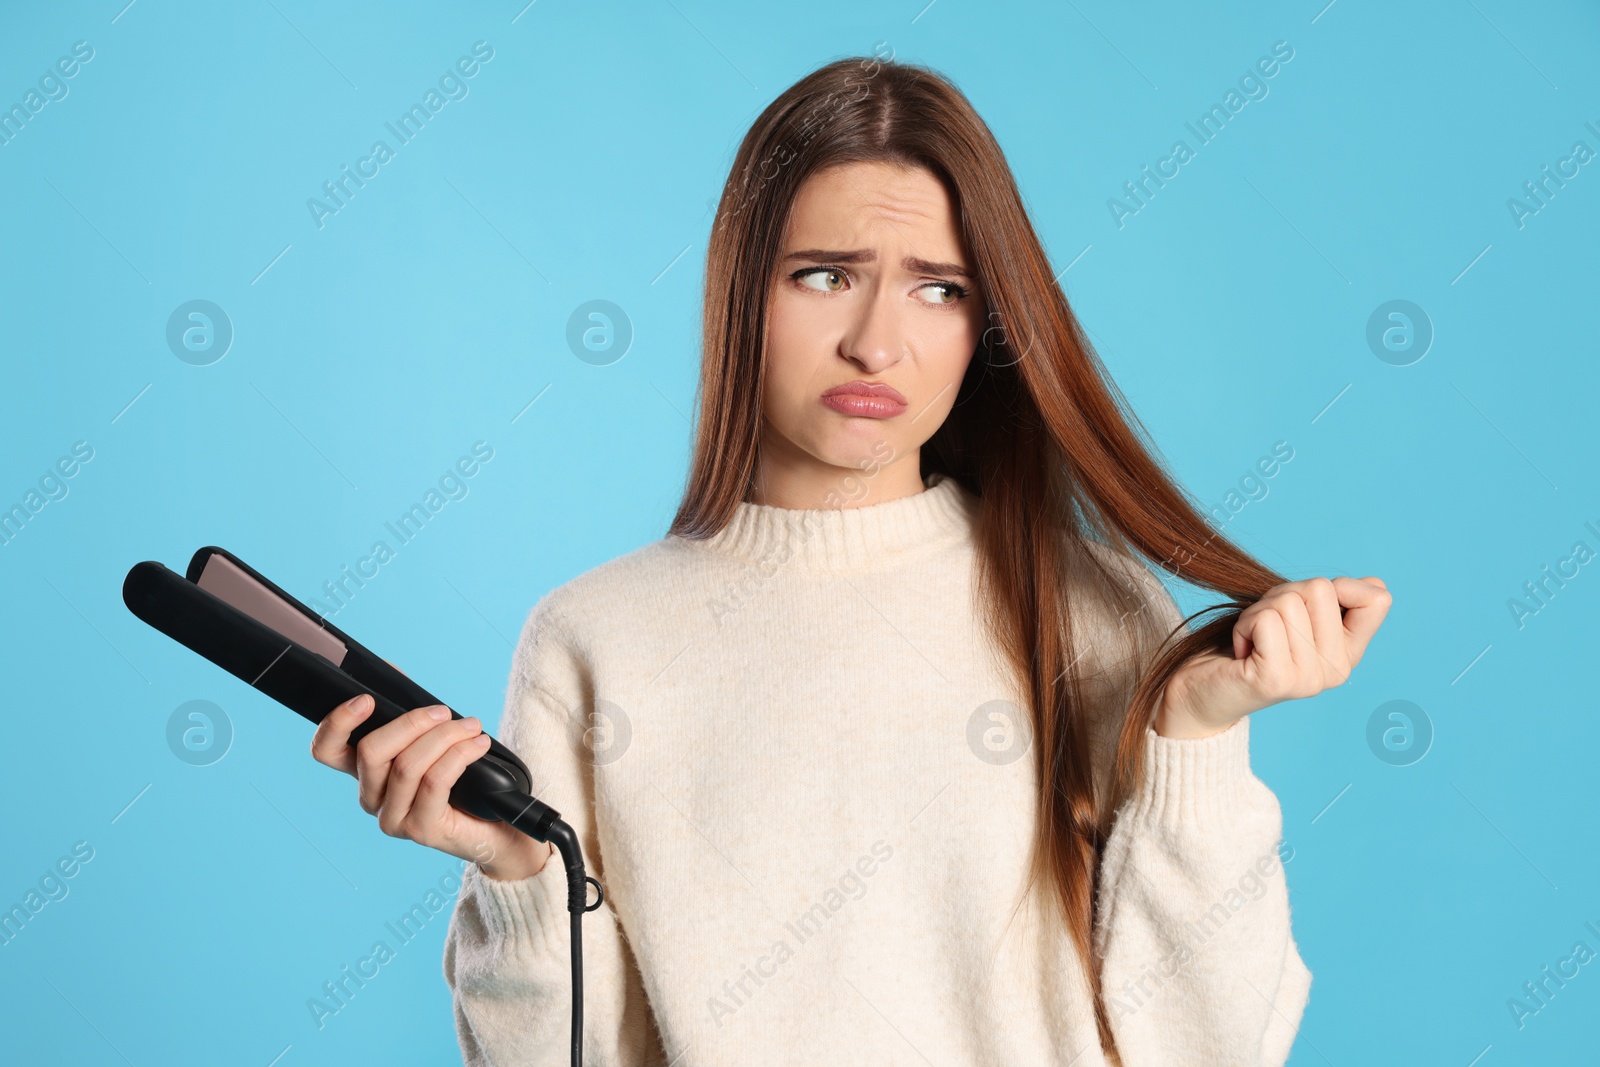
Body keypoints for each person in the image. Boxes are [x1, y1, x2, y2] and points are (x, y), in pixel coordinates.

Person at [310, 54, 1391, 1066]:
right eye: (826, 275)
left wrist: (1193, 739)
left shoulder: (1094, 608)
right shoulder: (595, 637)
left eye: (938, 289)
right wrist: (518, 880)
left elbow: (1217, 1045)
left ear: (987, 325)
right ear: (743, 295)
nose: (877, 342)